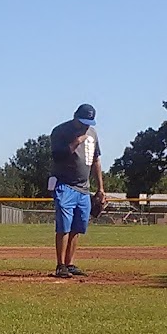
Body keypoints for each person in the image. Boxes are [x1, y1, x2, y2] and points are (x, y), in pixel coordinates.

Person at [48, 103, 104, 278]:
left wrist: (100, 188)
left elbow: (96, 161)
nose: (86, 125)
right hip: (64, 185)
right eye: (82, 121)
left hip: (84, 189)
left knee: (77, 227)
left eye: (89, 122)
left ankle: (70, 263)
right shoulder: (60, 131)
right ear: (74, 116)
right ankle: (60, 265)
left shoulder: (93, 134)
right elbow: (57, 156)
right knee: (64, 226)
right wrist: (75, 141)